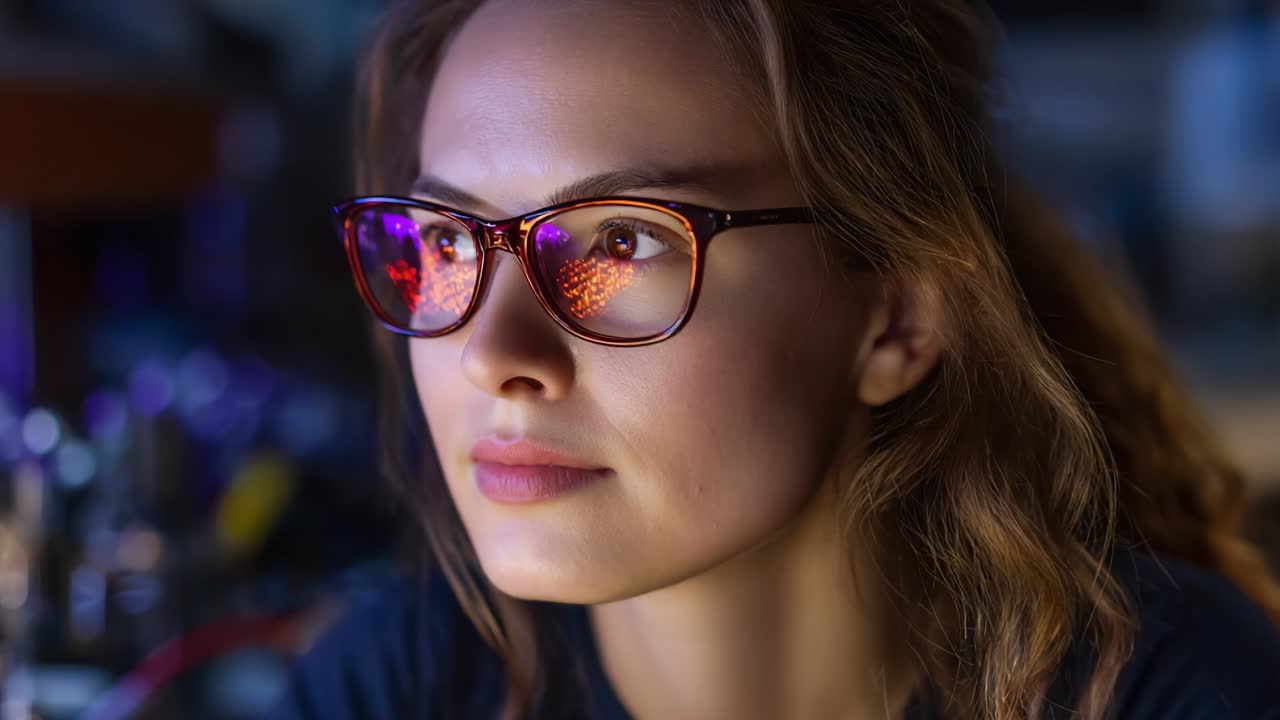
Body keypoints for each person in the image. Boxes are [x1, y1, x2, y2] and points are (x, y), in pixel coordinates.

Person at [270, 0, 1280, 718]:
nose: (492, 353)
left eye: (622, 243)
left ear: (895, 319)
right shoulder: (389, 688)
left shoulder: (1172, 693)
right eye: (448, 241)